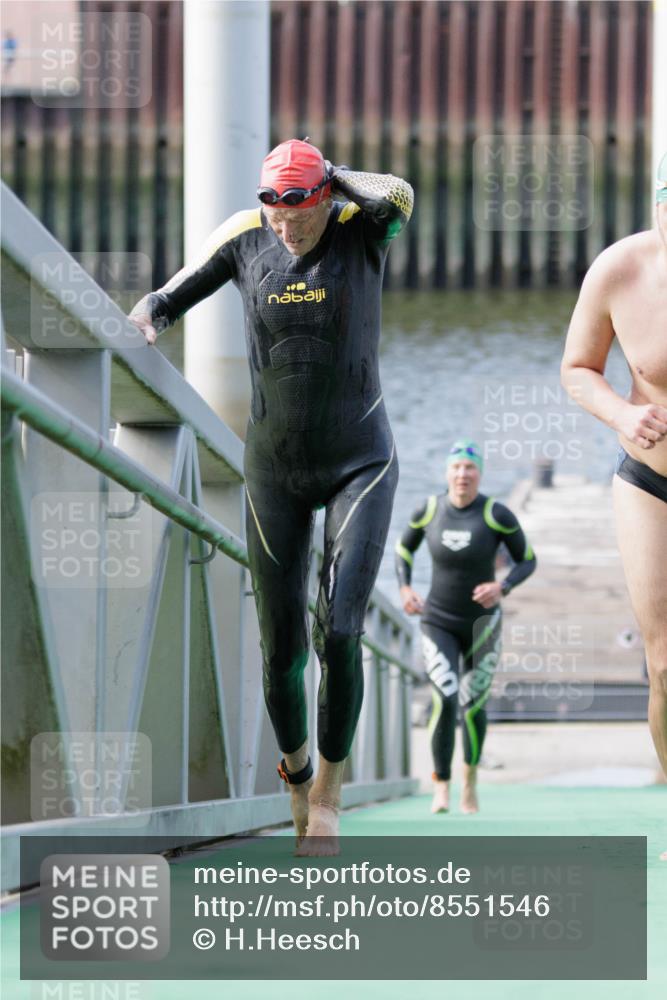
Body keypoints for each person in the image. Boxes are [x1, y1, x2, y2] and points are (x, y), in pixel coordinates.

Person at [128, 139, 413, 855]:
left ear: (323, 199)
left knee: (339, 631)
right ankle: (295, 779)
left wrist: (330, 177)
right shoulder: (245, 238)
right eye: (275, 215)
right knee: (281, 651)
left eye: (299, 214)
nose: (286, 229)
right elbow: (166, 297)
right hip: (273, 471)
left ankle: (329, 796)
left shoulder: (359, 229)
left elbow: (399, 192)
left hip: (360, 461)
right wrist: (144, 323)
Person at [561, 152, 667, 858]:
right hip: (650, 483)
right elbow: (577, 369)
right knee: (664, 664)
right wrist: (622, 415)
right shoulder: (620, 270)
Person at [395, 440, 536, 814]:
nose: (462, 474)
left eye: (470, 468)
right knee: (444, 698)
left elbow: (527, 559)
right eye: (456, 467)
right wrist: (405, 588)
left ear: (479, 474)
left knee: (473, 706)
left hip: (482, 626)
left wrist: (502, 586)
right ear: (447, 473)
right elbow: (403, 549)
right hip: (437, 620)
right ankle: (441, 785)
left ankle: (469, 782)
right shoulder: (429, 510)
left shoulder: (495, 514)